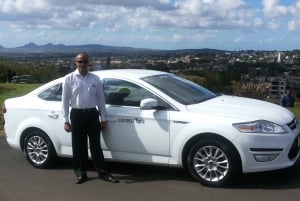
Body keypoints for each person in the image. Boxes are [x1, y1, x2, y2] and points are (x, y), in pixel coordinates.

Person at [62, 52, 119, 184]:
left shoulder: (95, 79)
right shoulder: (68, 79)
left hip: (92, 114)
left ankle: (103, 173)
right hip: (76, 115)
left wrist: (103, 118)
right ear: (76, 63)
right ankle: (81, 173)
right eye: (79, 62)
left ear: (89, 62)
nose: (82, 64)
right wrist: (66, 120)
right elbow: (64, 102)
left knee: (96, 146)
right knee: (78, 147)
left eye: (84, 62)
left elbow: (101, 100)